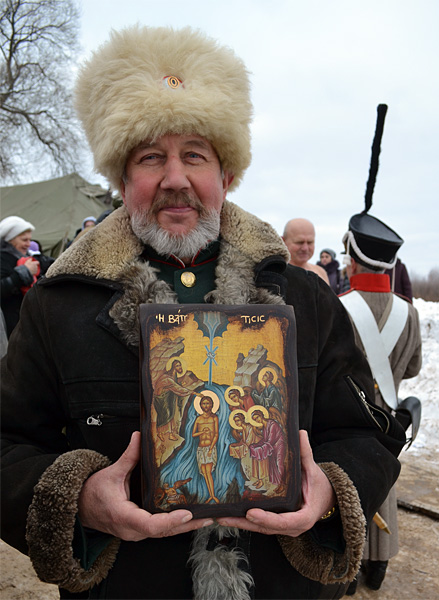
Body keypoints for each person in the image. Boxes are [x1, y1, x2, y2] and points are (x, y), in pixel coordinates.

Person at [1, 26, 406, 600]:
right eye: (150, 157)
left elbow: (368, 434)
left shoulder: (305, 297)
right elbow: (7, 443)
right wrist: (81, 501)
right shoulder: (59, 304)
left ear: (226, 175)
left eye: (195, 155)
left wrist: (329, 492)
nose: (175, 179)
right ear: (122, 180)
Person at [339, 212, 422, 594]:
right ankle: (379, 564)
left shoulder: (338, 305)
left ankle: (350, 565)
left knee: (349, 486)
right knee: (384, 485)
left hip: (346, 417)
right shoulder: (410, 312)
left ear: (353, 259)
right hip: (388, 419)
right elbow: (414, 367)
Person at [0, 216, 40, 337]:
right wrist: (24, 273)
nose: (28, 244)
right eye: (24, 240)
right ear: (10, 240)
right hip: (7, 326)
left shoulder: (25, 257)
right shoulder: (2, 259)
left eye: (29, 240)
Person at [283, 218, 330, 283]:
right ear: (283, 241)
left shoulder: (321, 272)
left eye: (310, 242)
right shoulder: (275, 273)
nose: (305, 248)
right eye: (299, 242)